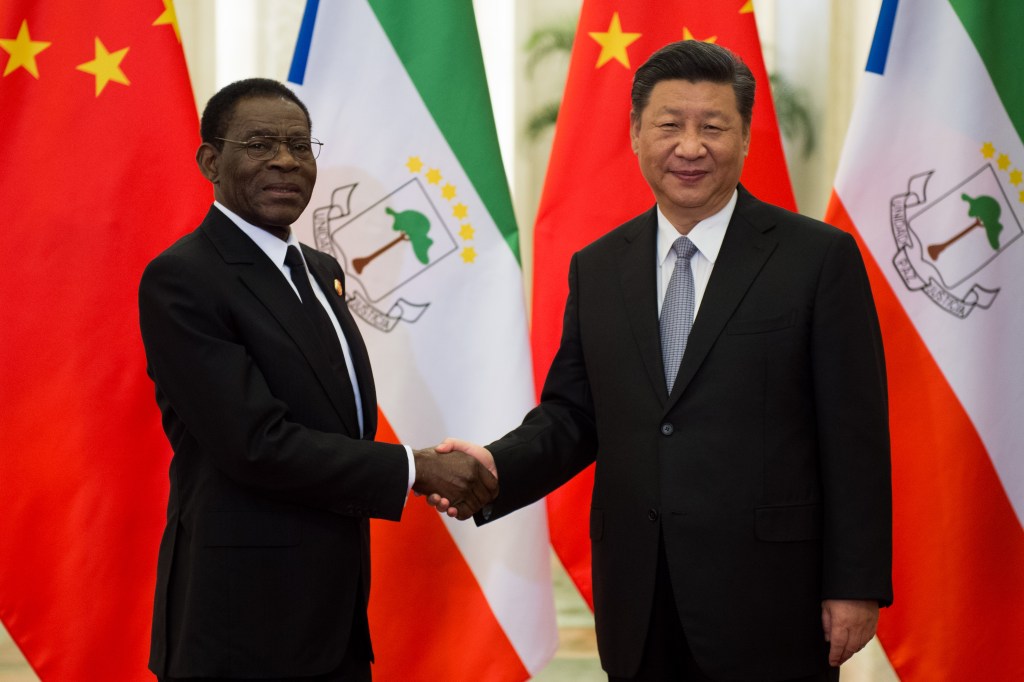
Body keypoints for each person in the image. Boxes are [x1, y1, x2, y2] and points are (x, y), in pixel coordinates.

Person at [436, 41, 892, 681]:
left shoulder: (817, 259)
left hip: (771, 599)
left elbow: (855, 434)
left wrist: (856, 584)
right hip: (639, 595)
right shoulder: (599, 267)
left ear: (745, 138)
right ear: (635, 133)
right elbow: (574, 414)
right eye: (669, 124)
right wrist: (494, 466)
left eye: (713, 127)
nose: (690, 146)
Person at [138, 78, 496, 681]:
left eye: (300, 146)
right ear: (210, 161)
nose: (284, 160)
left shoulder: (321, 270)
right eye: (258, 143)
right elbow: (257, 444)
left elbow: (331, 420)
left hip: (332, 612)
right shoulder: (184, 278)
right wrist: (415, 468)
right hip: (240, 621)